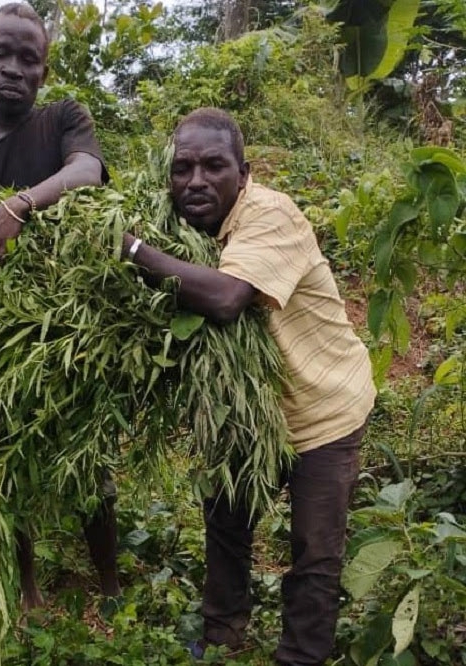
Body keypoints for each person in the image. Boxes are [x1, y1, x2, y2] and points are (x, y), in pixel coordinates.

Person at [121, 108, 376, 666]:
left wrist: (133, 249)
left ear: (244, 172)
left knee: (314, 548)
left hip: (322, 407)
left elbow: (226, 298)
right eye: (182, 168)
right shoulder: (180, 219)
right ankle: (222, 636)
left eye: (214, 166)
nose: (196, 181)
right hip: (250, 414)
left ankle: (301, 656)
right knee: (226, 522)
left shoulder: (271, 215)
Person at [0, 3, 119, 611]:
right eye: (2, 54)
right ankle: (28, 589)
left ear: (43, 72)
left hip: (71, 329)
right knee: (7, 462)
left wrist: (16, 208)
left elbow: (88, 172)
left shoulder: (62, 120)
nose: (13, 68)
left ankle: (111, 584)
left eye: (28, 58)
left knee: (90, 465)